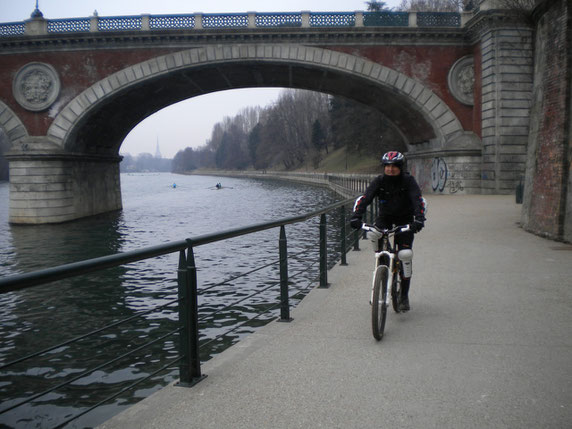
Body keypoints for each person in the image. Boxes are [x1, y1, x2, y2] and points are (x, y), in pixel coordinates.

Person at [350, 151, 426, 312]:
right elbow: (365, 198)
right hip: (385, 218)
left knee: (405, 255)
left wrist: (419, 219)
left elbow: (418, 200)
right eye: (387, 166)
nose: (390, 169)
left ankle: (404, 295)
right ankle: (383, 266)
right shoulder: (379, 181)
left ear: (400, 167)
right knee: (373, 233)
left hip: (405, 220)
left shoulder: (408, 181)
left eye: (394, 166)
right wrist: (356, 217)